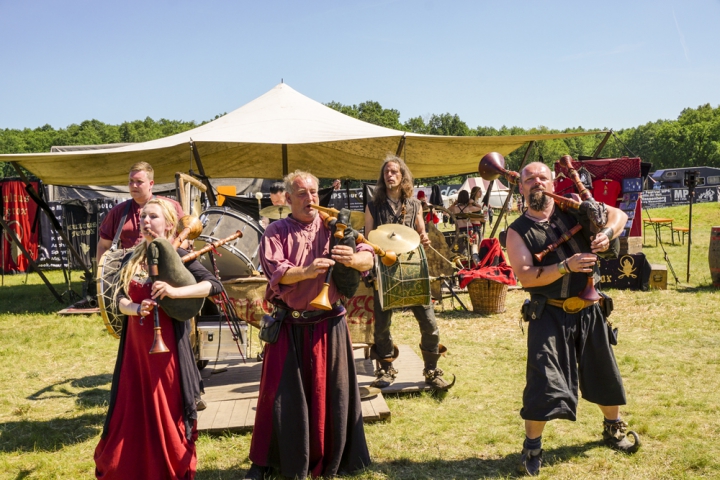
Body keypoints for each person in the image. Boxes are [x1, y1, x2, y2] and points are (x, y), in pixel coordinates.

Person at [505, 161, 640, 476]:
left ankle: (613, 428)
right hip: (548, 312)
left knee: (604, 371)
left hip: (589, 307)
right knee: (542, 381)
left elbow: (618, 216)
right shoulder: (516, 231)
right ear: (521, 187)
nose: (537, 182)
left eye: (542, 177)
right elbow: (525, 276)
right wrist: (566, 266)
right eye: (529, 179)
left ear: (553, 181)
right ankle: (533, 448)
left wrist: (606, 234)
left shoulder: (576, 208)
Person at [244, 171, 373, 480]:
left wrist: (354, 260)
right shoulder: (276, 231)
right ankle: (267, 461)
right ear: (288, 199)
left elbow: (369, 257)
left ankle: (337, 458)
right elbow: (278, 272)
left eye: (314, 192)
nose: (310, 199)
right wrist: (306, 271)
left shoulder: (336, 228)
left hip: (330, 327)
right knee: (279, 398)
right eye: (301, 193)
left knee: (333, 394)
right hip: (290, 326)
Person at [94, 198, 222, 479]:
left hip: (167, 352)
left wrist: (175, 293)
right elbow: (118, 299)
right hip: (135, 349)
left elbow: (213, 285)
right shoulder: (132, 257)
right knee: (133, 409)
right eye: (143, 218)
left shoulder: (179, 254)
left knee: (165, 409)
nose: (146, 222)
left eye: (153, 217)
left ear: (168, 223)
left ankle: (168, 467)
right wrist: (136, 308)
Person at [364, 155, 454, 390]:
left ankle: (432, 370)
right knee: (382, 325)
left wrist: (424, 237)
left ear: (403, 176)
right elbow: (367, 239)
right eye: (386, 172)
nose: (389, 175)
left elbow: (420, 234)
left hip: (414, 269)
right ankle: (385, 369)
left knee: (429, 323)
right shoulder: (373, 205)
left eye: (394, 172)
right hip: (384, 270)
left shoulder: (414, 204)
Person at [97, 162, 184, 262]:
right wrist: (101, 275)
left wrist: (172, 257)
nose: (134, 185)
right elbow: (103, 246)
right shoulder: (117, 211)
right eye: (131, 181)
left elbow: (186, 239)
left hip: (166, 266)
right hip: (129, 270)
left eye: (139, 181)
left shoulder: (171, 206)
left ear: (151, 184)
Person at [449, 190, 484, 265]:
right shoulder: (468, 208)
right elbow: (479, 207)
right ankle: (473, 262)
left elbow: (447, 210)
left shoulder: (455, 208)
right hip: (469, 229)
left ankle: (462, 262)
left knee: (461, 247)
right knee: (472, 246)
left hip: (459, 229)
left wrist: (454, 203)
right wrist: (473, 202)